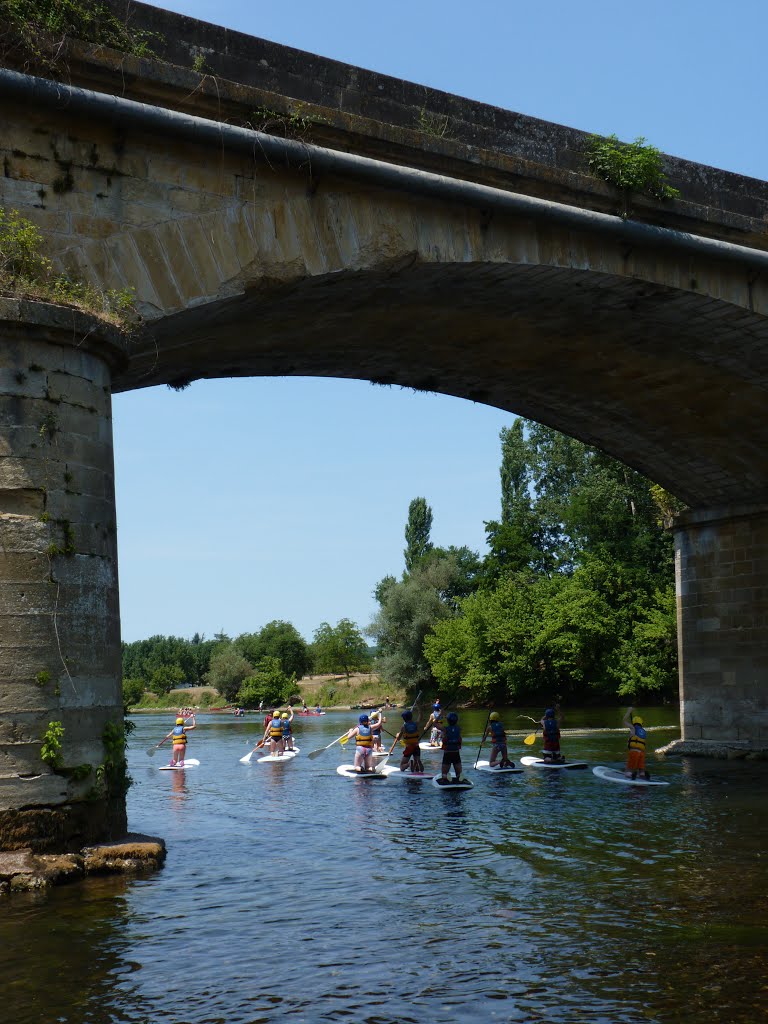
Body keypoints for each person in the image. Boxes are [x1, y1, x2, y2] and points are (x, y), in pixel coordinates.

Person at [391, 709, 424, 774]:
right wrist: (419, 709)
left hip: (409, 748)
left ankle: (409, 764)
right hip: (416, 747)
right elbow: (421, 716)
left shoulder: (403, 727)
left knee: (401, 767)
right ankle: (418, 762)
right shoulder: (416, 724)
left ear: (404, 718)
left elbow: (398, 738)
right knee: (417, 767)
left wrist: (397, 735)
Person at [623, 707, 650, 780]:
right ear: (641, 723)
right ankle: (643, 774)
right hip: (641, 753)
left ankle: (631, 774)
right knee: (641, 768)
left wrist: (629, 711)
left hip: (634, 752)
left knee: (628, 769)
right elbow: (644, 745)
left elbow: (624, 721)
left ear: (634, 723)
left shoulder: (633, 728)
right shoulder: (644, 732)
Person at [438, 711, 464, 784]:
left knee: (444, 773)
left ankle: (445, 777)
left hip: (447, 753)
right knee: (458, 772)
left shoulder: (445, 729)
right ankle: (459, 777)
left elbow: (435, 724)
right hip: (456, 752)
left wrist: (440, 714)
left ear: (448, 720)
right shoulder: (459, 729)